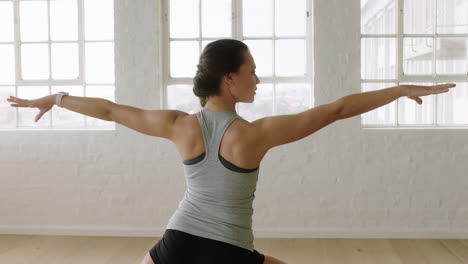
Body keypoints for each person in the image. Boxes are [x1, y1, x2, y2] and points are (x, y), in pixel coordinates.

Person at [6, 39, 456, 264]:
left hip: (176, 244)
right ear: (229, 78)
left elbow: (107, 109)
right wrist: (396, 89)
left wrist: (57, 97)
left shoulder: (178, 125)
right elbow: (336, 110)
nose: (258, 80)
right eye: (253, 72)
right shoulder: (255, 134)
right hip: (229, 253)